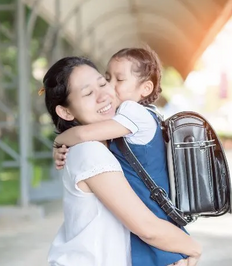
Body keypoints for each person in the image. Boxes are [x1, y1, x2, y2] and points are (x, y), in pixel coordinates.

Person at [42, 56, 201, 266]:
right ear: (65, 111)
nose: (103, 95)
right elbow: (147, 228)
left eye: (102, 83)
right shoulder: (90, 152)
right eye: (88, 93)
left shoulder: (112, 145)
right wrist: (192, 249)